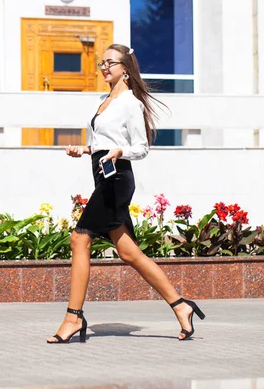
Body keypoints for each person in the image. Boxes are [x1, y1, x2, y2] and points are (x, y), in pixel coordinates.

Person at [46, 44, 205, 344]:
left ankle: (73, 317)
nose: (104, 67)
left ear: (125, 69)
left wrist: (121, 151)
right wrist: (85, 148)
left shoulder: (131, 103)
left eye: (110, 62)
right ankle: (181, 305)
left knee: (79, 238)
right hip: (103, 176)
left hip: (117, 180)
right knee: (129, 252)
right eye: (101, 62)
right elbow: (104, 141)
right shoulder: (104, 100)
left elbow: (141, 147)